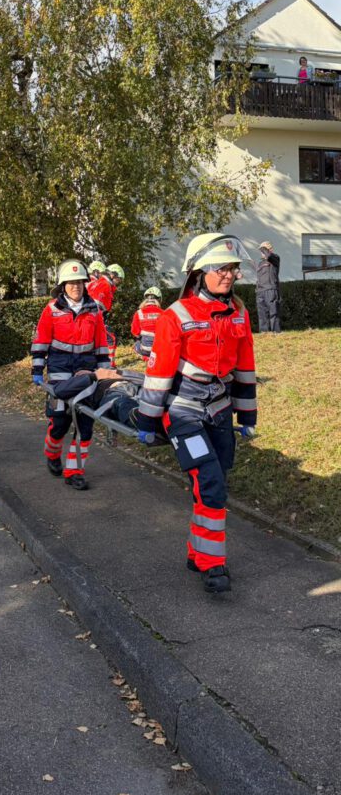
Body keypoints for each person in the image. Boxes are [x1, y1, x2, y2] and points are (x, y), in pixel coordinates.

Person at [136, 233, 257, 595]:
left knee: (214, 482)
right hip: (183, 410)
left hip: (218, 408)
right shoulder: (177, 315)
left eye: (232, 268)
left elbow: (245, 366)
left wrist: (246, 416)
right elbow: (159, 371)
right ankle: (212, 563)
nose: (229, 274)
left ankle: (196, 552)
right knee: (211, 482)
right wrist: (147, 419)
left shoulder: (239, 314)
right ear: (200, 272)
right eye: (221, 268)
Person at [31, 259, 110, 490]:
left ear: (85, 284)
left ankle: (74, 471)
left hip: (87, 368)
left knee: (85, 422)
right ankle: (52, 453)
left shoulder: (94, 310)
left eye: (79, 282)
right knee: (60, 421)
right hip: (60, 369)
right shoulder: (52, 309)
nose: (76, 286)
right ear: (63, 285)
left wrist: (105, 371)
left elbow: (101, 343)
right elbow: (41, 340)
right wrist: (37, 369)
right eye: (71, 282)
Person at [131, 286, 164, 358]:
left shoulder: (138, 313)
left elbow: (135, 332)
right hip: (159, 350)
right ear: (159, 299)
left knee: (136, 344)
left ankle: (145, 358)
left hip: (144, 350)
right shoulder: (163, 313)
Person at [256, 241, 281, 333]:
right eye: (261, 251)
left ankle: (276, 332)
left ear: (270, 249)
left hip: (271, 290)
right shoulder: (260, 263)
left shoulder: (275, 259)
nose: (262, 252)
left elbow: (269, 256)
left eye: (264, 250)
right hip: (260, 291)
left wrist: (263, 248)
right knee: (262, 314)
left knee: (274, 312)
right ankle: (264, 333)